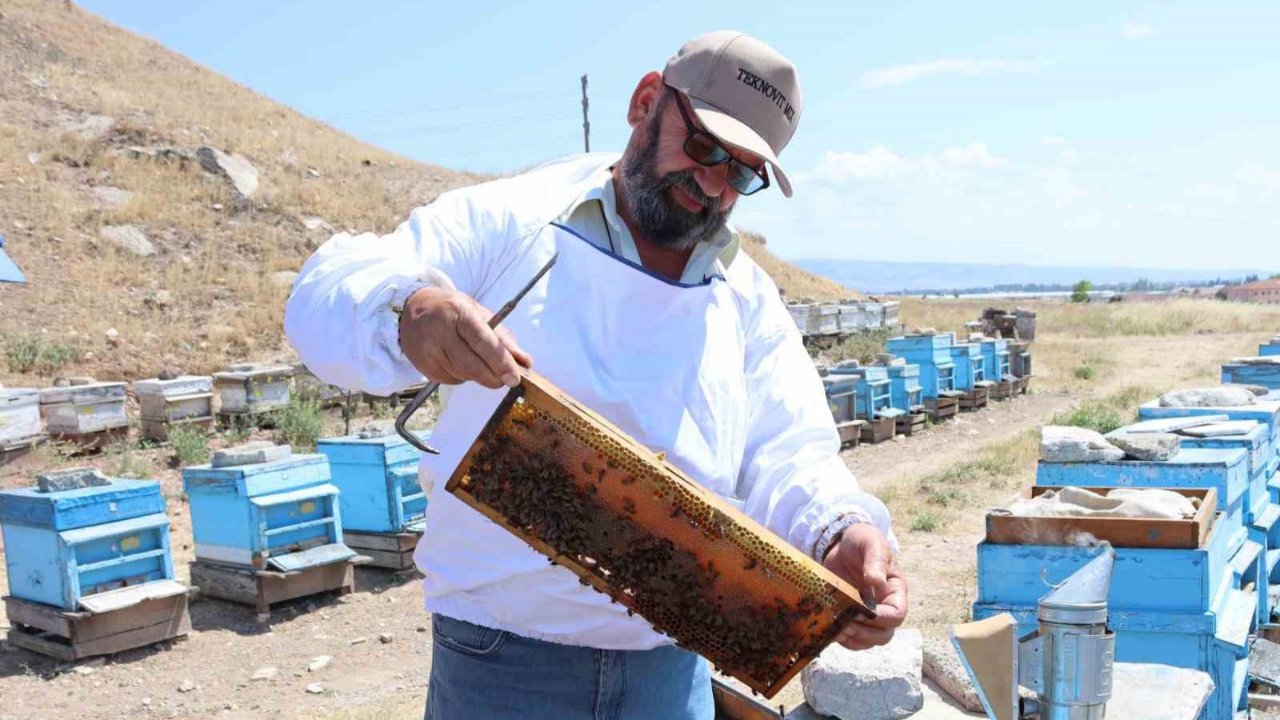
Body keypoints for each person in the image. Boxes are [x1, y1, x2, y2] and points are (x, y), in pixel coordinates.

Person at [286, 30, 907, 720]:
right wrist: (411, 311)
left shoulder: (748, 298)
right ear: (646, 103)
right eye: (703, 148)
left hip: (671, 671)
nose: (711, 185)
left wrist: (839, 532)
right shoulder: (512, 220)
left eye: (742, 174)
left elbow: (789, 451)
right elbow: (326, 291)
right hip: (501, 662)